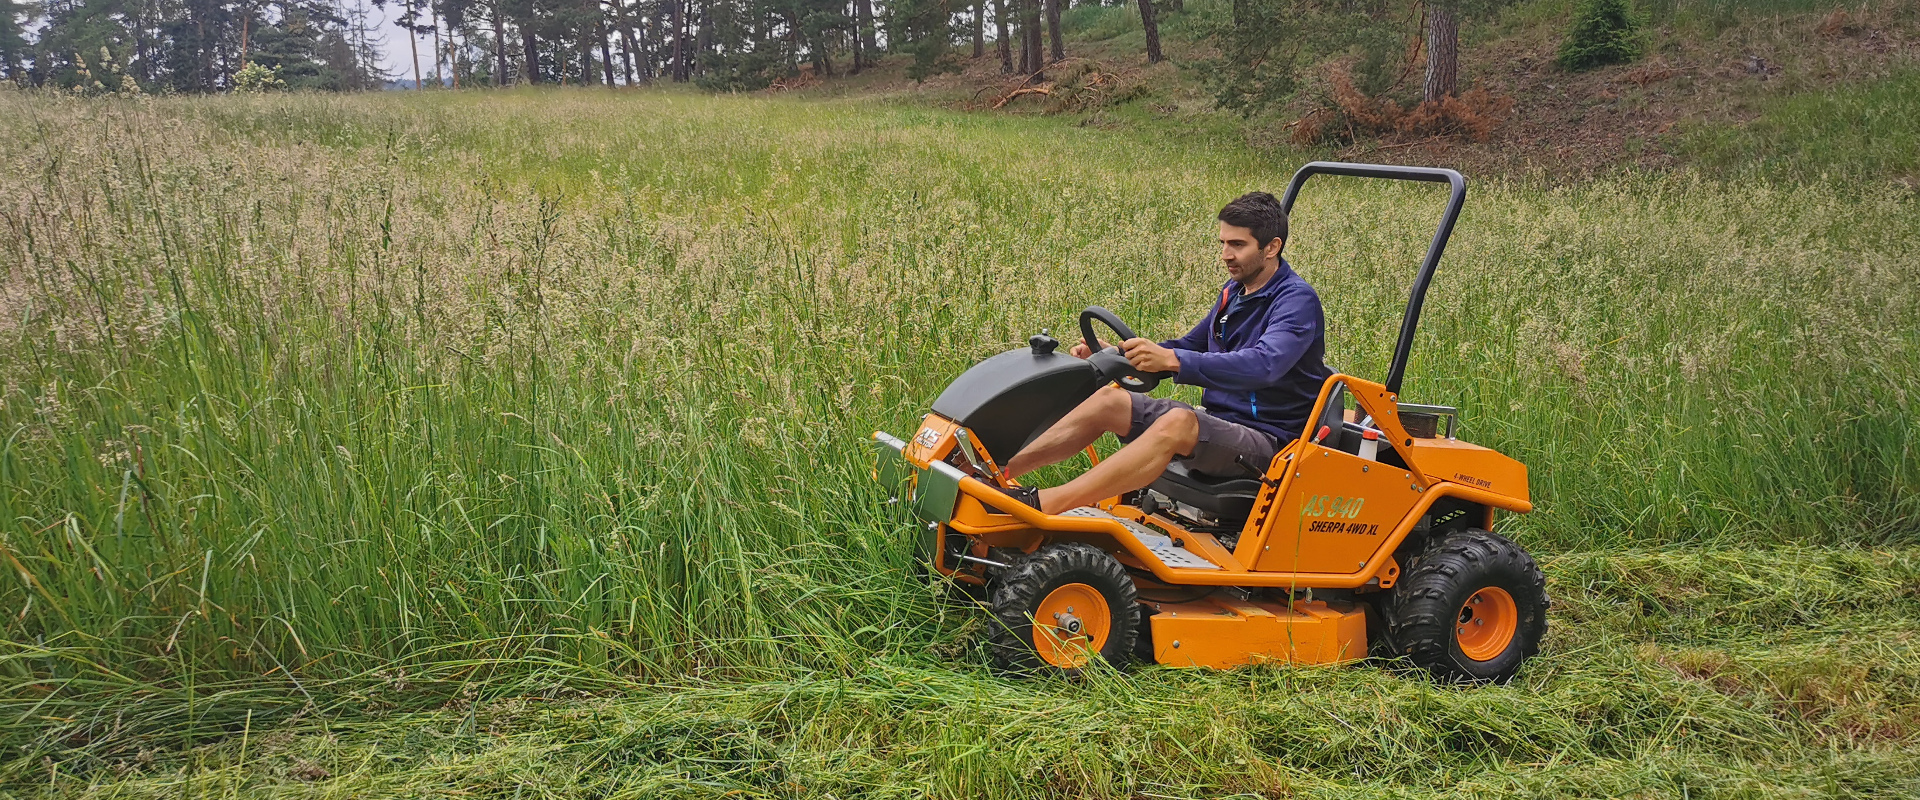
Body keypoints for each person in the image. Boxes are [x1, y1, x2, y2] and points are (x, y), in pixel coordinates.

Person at [999, 191, 1333, 514]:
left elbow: (1264, 366)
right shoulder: (1235, 292)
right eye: (1223, 243)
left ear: (1272, 247)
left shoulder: (1296, 301)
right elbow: (1190, 346)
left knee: (1178, 422)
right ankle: (998, 475)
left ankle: (1043, 504)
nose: (1226, 255)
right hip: (1219, 424)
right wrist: (1118, 353)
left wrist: (1171, 361)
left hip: (1270, 442)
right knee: (1109, 401)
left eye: (1237, 245)